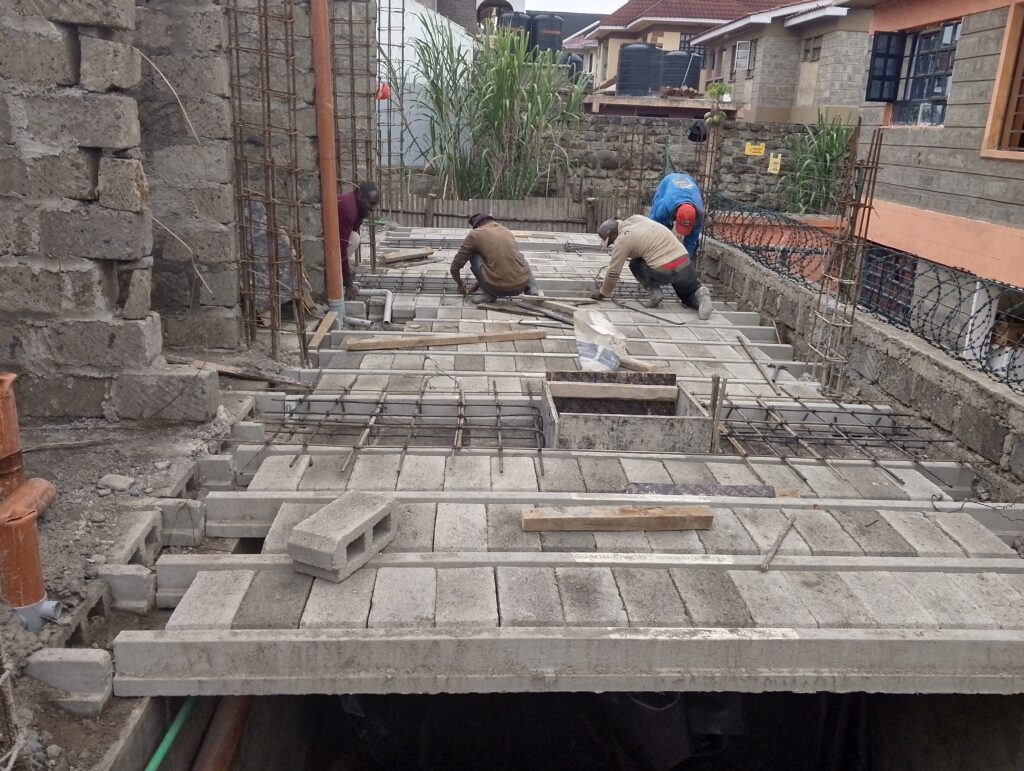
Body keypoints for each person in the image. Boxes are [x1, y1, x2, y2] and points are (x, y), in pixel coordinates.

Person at [591, 216, 713, 320]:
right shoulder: (636, 219)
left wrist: (603, 293)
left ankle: (655, 293)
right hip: (684, 262)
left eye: (611, 241)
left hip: (663, 270)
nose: (612, 243)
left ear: (613, 233)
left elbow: (613, 272)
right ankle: (700, 293)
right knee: (687, 295)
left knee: (635, 264)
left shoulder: (622, 239)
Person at [450, 213, 541, 304]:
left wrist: (460, 285)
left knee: (474, 255)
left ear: (477, 226)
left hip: (496, 290)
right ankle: (532, 290)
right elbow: (500, 263)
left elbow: (455, 267)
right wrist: (478, 285)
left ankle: (488, 294)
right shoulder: (506, 231)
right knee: (519, 257)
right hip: (520, 286)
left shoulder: (475, 234)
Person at [337, 182, 380, 300]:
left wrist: (348, 267)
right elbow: (341, 247)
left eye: (374, 205)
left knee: (355, 237)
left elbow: (351, 233)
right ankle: (335, 274)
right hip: (327, 244)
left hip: (336, 242)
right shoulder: (348, 207)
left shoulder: (358, 208)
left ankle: (340, 271)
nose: (372, 209)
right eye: (371, 203)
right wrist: (349, 284)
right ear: (360, 196)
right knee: (354, 238)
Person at [649, 172, 705, 260]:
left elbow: (691, 240)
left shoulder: (700, 214)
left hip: (689, 181)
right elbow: (653, 226)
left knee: (693, 245)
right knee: (660, 228)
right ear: (675, 213)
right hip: (669, 180)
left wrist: (685, 261)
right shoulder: (665, 206)